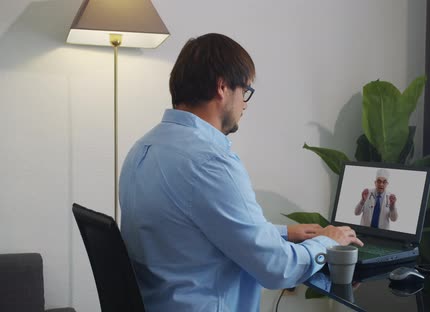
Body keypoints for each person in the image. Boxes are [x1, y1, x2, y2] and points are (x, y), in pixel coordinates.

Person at [118, 33, 363, 312]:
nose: (245, 104)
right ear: (222, 87)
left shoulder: (143, 148)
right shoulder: (210, 162)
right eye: (245, 91)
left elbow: (193, 230)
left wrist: (284, 233)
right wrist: (327, 243)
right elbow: (276, 269)